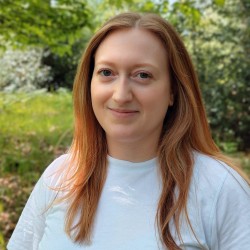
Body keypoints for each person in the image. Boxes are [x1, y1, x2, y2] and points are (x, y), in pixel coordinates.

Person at [7, 12, 250, 250]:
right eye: (106, 73)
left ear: (173, 91)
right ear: (89, 83)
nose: (121, 95)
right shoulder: (59, 178)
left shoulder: (220, 188)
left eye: (142, 75)